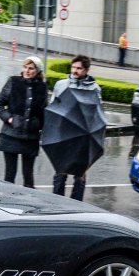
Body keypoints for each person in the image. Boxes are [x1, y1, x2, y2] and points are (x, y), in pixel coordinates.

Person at [50, 54, 104, 200]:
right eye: (73, 67)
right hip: (63, 135)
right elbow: (53, 108)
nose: (75, 71)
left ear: (86, 70)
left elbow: (97, 113)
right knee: (60, 172)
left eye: (79, 68)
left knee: (80, 175)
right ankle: (56, 203)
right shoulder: (61, 85)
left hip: (82, 138)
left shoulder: (94, 89)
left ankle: (76, 206)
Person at [0, 56, 47, 188]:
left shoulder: (42, 87)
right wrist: (9, 118)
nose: (27, 71)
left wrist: (39, 125)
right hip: (11, 134)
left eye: (31, 68)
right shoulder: (13, 82)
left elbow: (44, 111)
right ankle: (6, 202)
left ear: (38, 71)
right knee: (10, 174)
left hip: (31, 137)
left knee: (28, 176)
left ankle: (28, 203)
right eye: (25, 67)